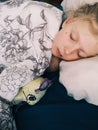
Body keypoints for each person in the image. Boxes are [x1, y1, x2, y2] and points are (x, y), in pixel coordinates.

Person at [0, 0, 98, 129]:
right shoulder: (43, 17)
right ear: (68, 21)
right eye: (73, 37)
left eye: (80, 54)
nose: (68, 51)